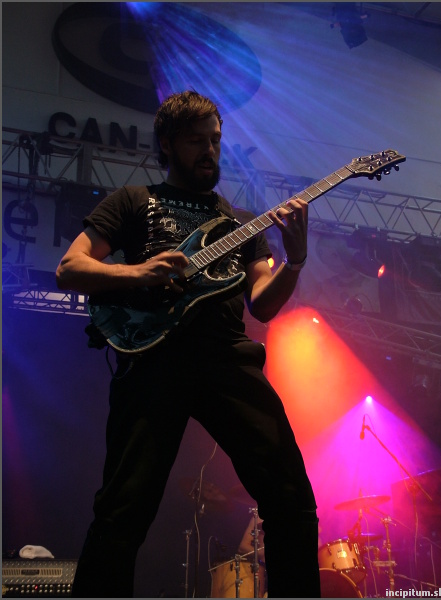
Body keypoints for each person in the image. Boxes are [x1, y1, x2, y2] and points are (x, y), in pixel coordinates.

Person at [56, 90, 320, 598]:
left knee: (291, 497)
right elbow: (71, 268)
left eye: (215, 140)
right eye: (197, 141)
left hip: (227, 358)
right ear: (168, 143)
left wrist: (296, 261)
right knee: (122, 509)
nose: (209, 151)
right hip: (155, 358)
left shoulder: (242, 223)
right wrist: (139, 271)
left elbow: (263, 304)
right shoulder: (134, 201)